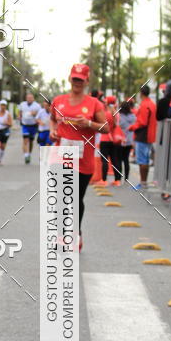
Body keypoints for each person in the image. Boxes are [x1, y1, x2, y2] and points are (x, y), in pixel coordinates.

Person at [50, 63, 108, 251]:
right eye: (75, 79)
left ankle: (76, 232)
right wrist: (53, 131)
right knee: (60, 196)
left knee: (75, 198)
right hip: (62, 154)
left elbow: (106, 127)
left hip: (83, 159)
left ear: (86, 81)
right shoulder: (58, 101)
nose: (77, 83)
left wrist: (89, 123)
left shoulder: (94, 104)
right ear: (70, 78)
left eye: (81, 80)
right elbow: (52, 119)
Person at [129, 84, 157, 190]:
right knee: (145, 159)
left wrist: (132, 127)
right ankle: (143, 182)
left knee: (142, 160)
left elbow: (142, 122)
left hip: (142, 135)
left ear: (141, 93)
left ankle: (143, 183)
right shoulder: (152, 104)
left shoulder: (145, 104)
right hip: (149, 134)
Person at [99, 95, 121, 185]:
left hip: (104, 138)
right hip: (114, 139)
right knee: (115, 160)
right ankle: (117, 180)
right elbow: (115, 125)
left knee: (104, 160)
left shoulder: (105, 113)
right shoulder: (116, 113)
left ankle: (104, 180)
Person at [116, 99, 136, 184]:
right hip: (129, 141)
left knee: (119, 159)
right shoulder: (133, 117)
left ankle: (119, 177)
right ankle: (126, 178)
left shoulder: (119, 117)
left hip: (120, 140)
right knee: (126, 159)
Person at [18, 92, 40, 163]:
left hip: (33, 125)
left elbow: (40, 115)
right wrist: (19, 117)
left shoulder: (37, 106)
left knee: (31, 141)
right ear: (26, 98)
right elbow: (20, 112)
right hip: (25, 125)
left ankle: (29, 153)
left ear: (33, 98)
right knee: (25, 140)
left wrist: (35, 114)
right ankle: (26, 155)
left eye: (31, 98)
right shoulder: (22, 104)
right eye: (28, 98)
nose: (29, 99)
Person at [0, 99, 13, 164]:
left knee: (3, 147)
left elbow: (11, 124)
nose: (3, 107)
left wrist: (7, 123)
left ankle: (0, 159)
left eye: (4, 105)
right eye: (2, 105)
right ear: (0, 105)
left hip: (4, 131)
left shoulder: (8, 114)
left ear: (6, 106)